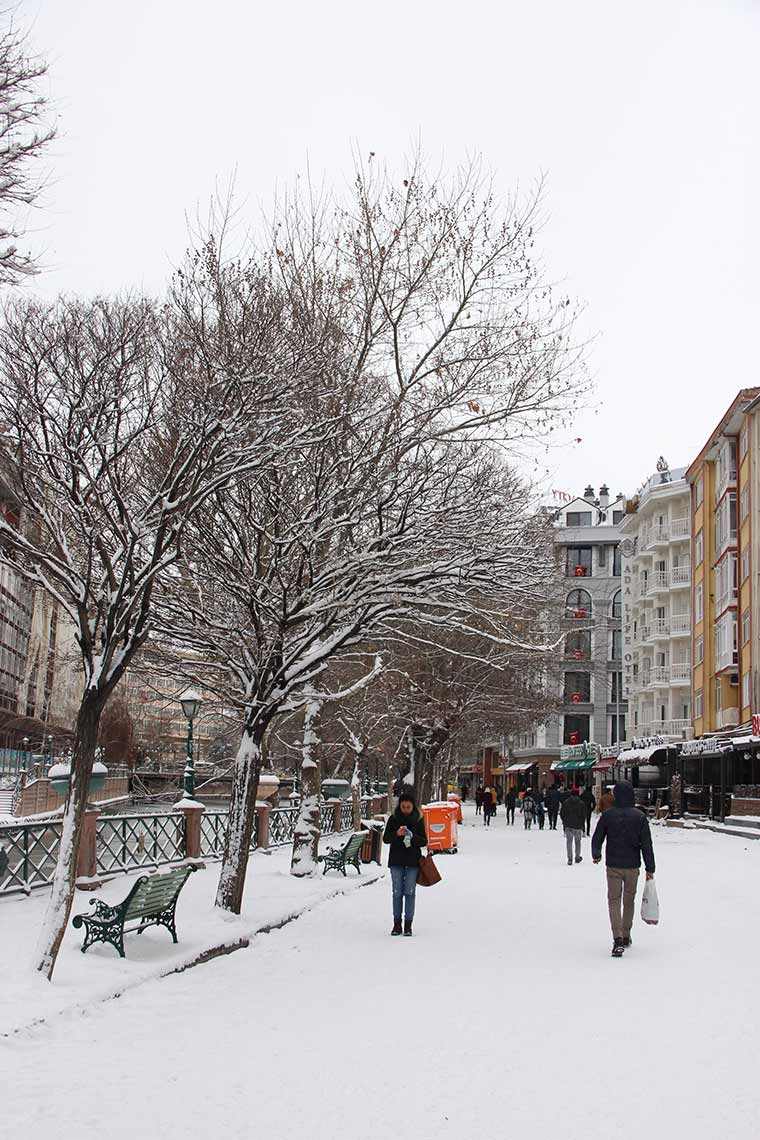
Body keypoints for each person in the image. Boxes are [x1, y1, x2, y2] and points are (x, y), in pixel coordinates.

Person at [592, 781, 656, 957]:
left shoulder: (608, 815)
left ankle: (617, 937)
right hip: (632, 865)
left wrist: (596, 854)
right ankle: (626, 935)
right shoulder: (640, 817)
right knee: (629, 901)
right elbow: (646, 845)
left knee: (613, 900)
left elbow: (597, 837)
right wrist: (650, 867)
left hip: (613, 864)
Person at [382, 792, 428, 936]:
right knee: (397, 893)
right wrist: (397, 834)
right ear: (399, 806)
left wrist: (412, 836)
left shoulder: (419, 820)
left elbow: (424, 841)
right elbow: (386, 839)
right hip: (396, 861)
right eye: (403, 806)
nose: (406, 809)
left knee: (410, 892)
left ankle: (408, 925)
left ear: (413, 806)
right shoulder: (393, 819)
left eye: (408, 807)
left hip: (413, 861)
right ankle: (397, 924)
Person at [560, 786, 586, 865]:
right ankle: (577, 857)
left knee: (569, 842)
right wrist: (582, 823)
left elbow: (562, 814)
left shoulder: (566, 802)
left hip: (568, 825)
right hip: (578, 825)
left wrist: (564, 822)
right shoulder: (581, 803)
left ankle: (570, 858)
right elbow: (584, 815)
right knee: (578, 842)